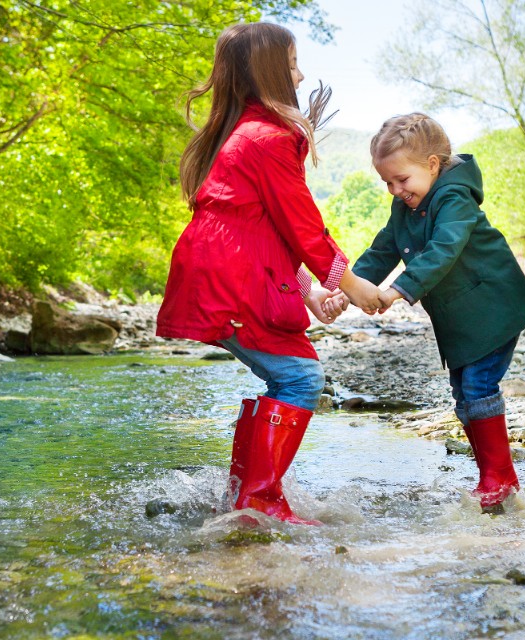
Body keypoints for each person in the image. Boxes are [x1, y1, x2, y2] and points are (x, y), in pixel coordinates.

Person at [155, 23, 385, 526]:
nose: (302, 75)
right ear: (267, 72)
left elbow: (269, 228)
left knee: (287, 374)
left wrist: (306, 291)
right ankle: (256, 500)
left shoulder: (248, 135)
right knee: (300, 377)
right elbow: (303, 226)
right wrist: (352, 285)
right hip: (231, 277)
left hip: (226, 270)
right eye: (293, 64)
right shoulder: (268, 138)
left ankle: (244, 496)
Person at [325, 113, 525, 513]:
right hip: (462, 317)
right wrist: (348, 292)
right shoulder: (404, 207)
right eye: (387, 182)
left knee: (478, 388)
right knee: (464, 393)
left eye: (401, 180)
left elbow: (444, 250)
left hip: (494, 307)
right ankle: (499, 477)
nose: (395, 189)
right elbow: (382, 250)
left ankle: (498, 479)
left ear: (433, 166)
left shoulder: (454, 199)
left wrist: (396, 291)